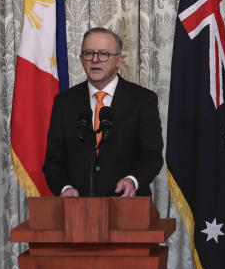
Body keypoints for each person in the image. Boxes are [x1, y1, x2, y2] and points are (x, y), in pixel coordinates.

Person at [43, 27, 163, 197]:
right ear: (81, 59)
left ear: (119, 61)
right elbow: (53, 160)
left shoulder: (143, 100)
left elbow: (152, 155)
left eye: (104, 54)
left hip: (128, 207)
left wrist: (132, 180)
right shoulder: (65, 102)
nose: (95, 60)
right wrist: (64, 188)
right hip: (76, 210)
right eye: (89, 53)